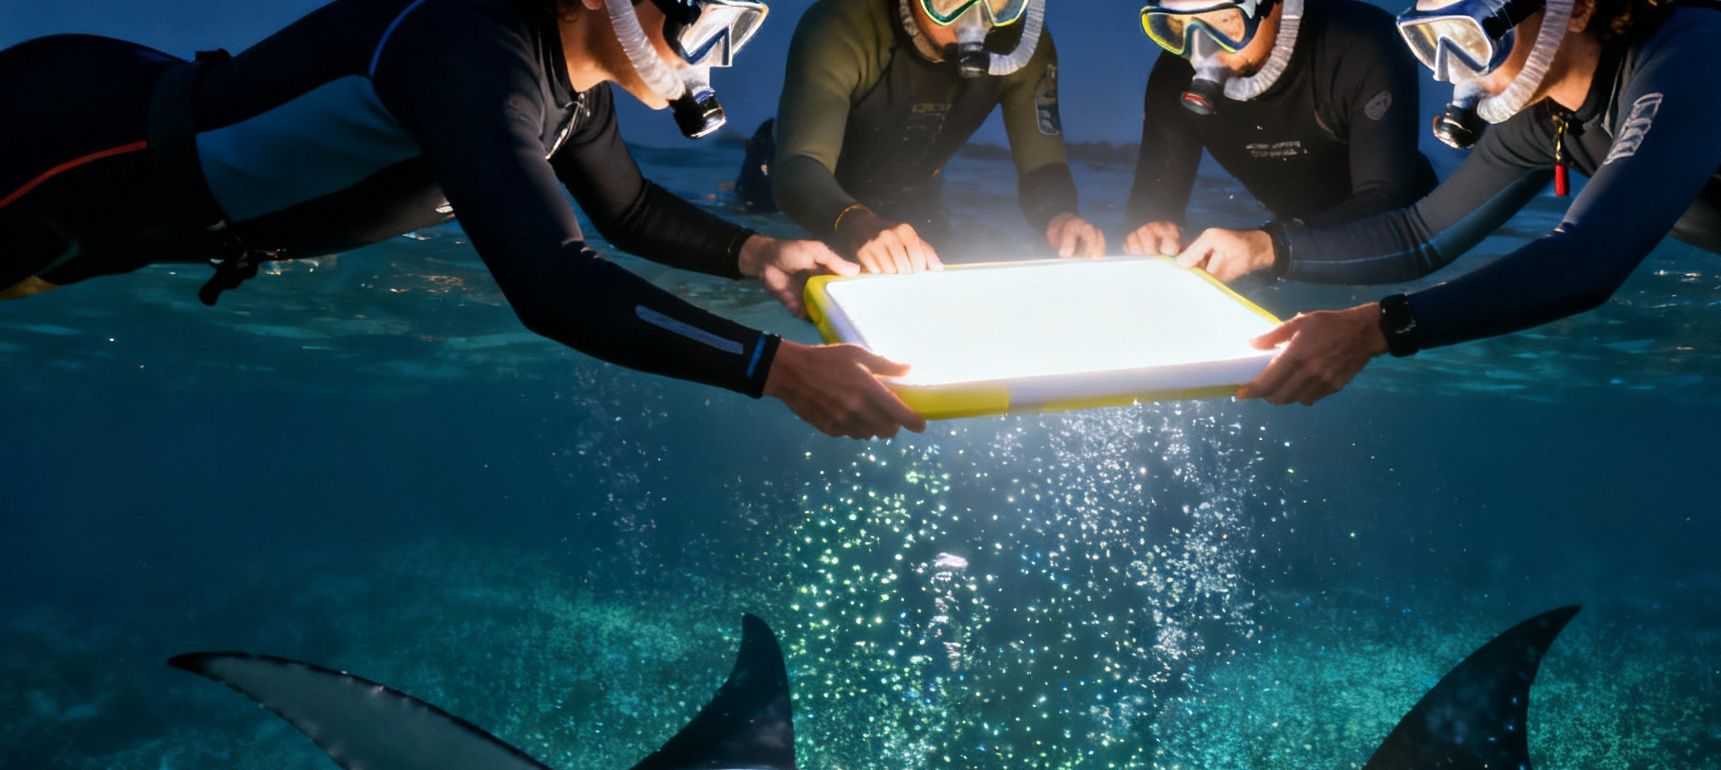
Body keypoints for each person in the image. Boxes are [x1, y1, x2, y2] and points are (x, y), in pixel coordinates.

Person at [0, 0, 926, 440]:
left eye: (739, 23)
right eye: (706, 12)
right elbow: (553, 283)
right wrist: (776, 370)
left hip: (126, 213)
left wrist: (760, 249)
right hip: (63, 153)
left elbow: (631, 210)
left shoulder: (576, 98)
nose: (713, 50)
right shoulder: (468, 51)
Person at [1212, 0, 1721, 406]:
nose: (1456, 74)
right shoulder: (1545, 125)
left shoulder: (1696, 56)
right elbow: (1421, 234)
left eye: (1470, 37)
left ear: (1572, 9)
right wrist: (1262, 248)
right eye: (1430, 44)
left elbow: (1587, 260)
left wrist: (1376, 329)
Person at [771, 0, 1106, 274]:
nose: (975, 17)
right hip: (794, 192)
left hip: (912, 199)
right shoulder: (840, 23)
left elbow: (1042, 165)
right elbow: (799, 165)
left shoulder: (1019, 44)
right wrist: (851, 219)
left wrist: (1061, 216)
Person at [1125, 0, 1440, 284]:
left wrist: (1266, 245)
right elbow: (1152, 206)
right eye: (1178, 27)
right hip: (1282, 246)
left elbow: (1387, 203)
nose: (1201, 52)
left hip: (1420, 254)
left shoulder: (1363, 42)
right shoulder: (1173, 75)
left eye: (1224, 22)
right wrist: (1152, 231)